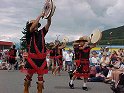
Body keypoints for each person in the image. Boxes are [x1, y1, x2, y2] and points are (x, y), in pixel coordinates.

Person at [21, 11, 52, 93]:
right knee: (29, 76)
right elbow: (32, 28)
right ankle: (26, 90)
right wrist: (40, 15)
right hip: (32, 59)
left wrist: (49, 17)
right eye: (32, 24)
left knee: (41, 78)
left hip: (41, 60)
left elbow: (48, 25)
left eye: (35, 25)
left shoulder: (41, 32)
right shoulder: (29, 33)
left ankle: (39, 92)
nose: (34, 26)